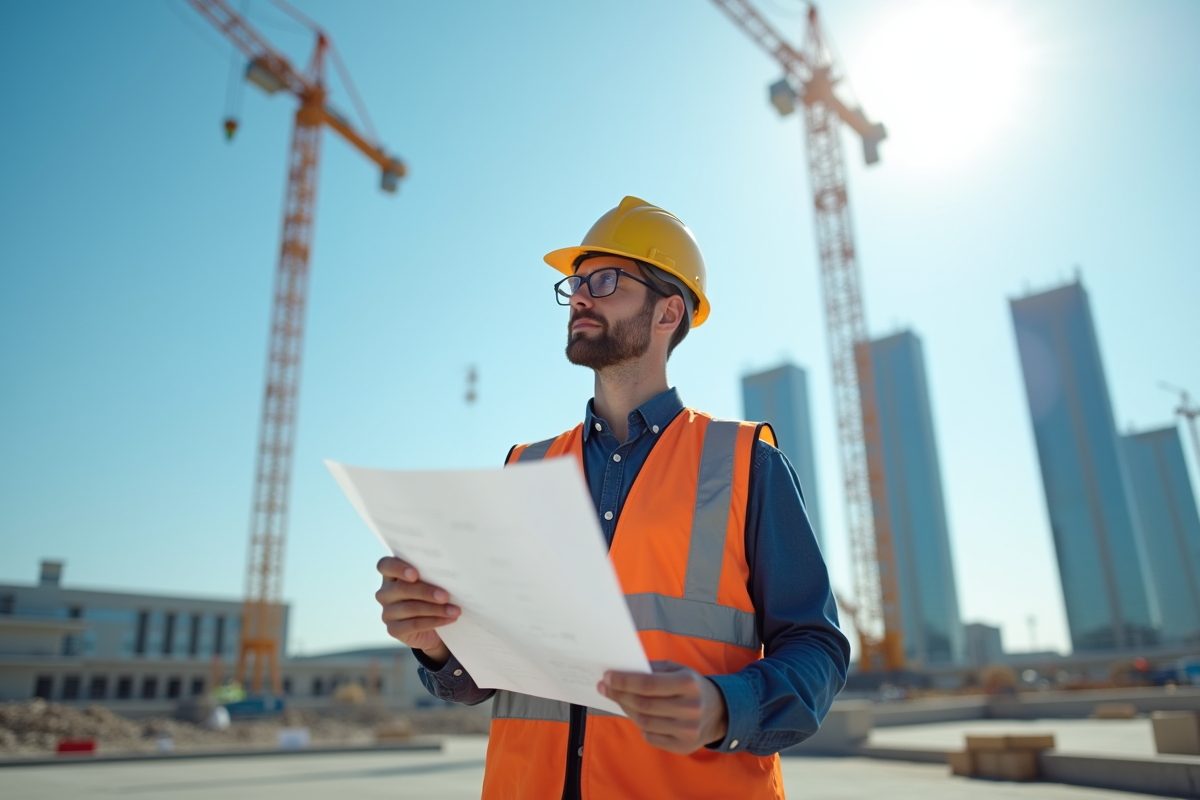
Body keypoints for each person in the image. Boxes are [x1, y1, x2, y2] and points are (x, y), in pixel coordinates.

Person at [374, 196, 849, 800]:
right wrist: (438, 644)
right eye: (574, 282)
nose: (578, 296)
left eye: (604, 281)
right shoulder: (526, 468)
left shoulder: (746, 464)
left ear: (667, 312)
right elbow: (483, 677)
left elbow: (817, 648)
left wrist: (724, 707)